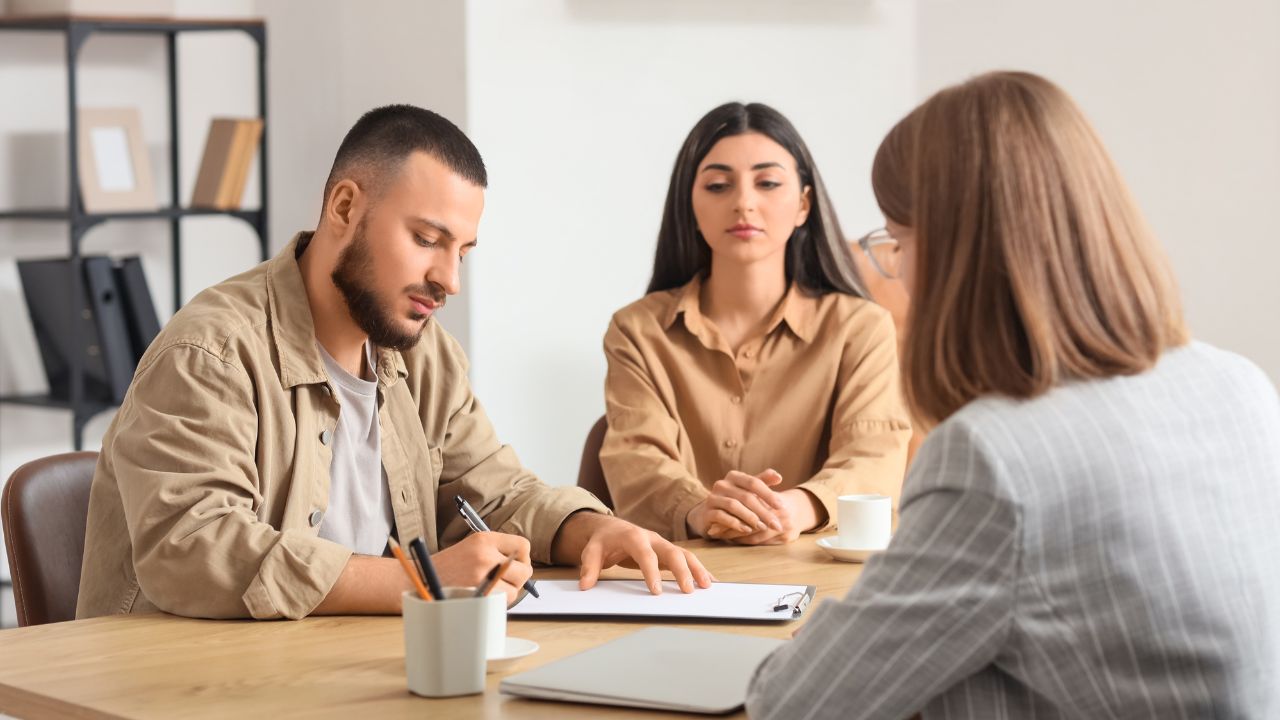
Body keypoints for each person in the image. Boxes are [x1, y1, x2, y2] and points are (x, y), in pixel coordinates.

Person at [746, 71, 1280, 718]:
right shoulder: (1239, 386)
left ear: (955, 253)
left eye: (898, 243)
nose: (897, 272)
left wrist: (826, 644)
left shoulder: (996, 456)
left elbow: (798, 705)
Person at [76, 105, 712, 621]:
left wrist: (588, 529)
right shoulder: (211, 352)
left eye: (463, 250)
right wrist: (421, 580)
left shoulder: (422, 349)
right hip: (183, 691)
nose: (449, 279)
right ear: (345, 207)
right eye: (427, 240)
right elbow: (192, 549)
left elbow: (494, 486)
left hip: (339, 677)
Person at [600, 102, 911, 544]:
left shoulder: (860, 328)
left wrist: (795, 508)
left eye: (767, 183)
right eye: (718, 185)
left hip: (816, 578)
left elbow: (873, 459)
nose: (744, 202)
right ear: (691, 203)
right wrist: (701, 509)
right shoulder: (637, 331)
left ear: (804, 204)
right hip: (684, 580)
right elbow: (637, 463)